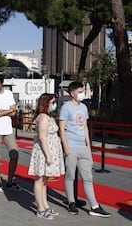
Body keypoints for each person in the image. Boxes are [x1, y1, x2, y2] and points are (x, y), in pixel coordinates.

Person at [59, 81, 111, 218]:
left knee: (87, 177)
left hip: (83, 147)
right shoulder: (66, 107)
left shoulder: (83, 107)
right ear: (72, 93)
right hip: (71, 146)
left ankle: (94, 206)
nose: (82, 94)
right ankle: (71, 202)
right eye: (80, 91)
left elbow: (85, 126)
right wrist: (65, 147)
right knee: (70, 176)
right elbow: (62, 128)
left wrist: (88, 144)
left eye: (83, 91)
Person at [28, 93, 65, 220]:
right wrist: (48, 156)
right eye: (52, 102)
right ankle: (40, 208)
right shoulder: (43, 117)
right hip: (44, 152)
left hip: (50, 151)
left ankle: (45, 205)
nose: (54, 104)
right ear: (46, 103)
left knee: (44, 181)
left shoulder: (48, 116)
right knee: (39, 180)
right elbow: (43, 138)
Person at [0, 73, 21, 192]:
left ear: (2, 83)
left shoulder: (9, 94)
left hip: (8, 129)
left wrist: (2, 111)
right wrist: (7, 110)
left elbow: (14, 112)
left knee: (15, 154)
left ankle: (10, 181)